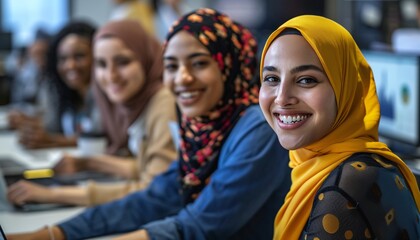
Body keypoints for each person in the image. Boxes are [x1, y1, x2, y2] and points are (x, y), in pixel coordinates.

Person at [7, 8, 291, 240]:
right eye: (171, 66)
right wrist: (54, 233)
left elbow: (201, 225)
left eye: (199, 63)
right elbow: (154, 198)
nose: (182, 78)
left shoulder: (258, 128)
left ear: (229, 64)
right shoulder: (203, 129)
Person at [259, 15, 420, 239]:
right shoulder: (335, 165)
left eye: (306, 80)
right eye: (272, 78)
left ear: (346, 88)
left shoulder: (342, 192)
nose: (282, 97)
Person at [7, 20, 178, 207]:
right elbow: (144, 166)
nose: (111, 76)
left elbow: (153, 190)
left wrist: (55, 194)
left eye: (123, 62)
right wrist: (87, 163)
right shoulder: (132, 104)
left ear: (146, 57)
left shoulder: (163, 102)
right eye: (102, 64)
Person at [15, 21, 98, 149]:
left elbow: (104, 140)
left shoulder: (105, 96)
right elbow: (53, 125)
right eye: (63, 59)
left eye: (79, 56)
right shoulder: (65, 93)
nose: (70, 65)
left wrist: (53, 140)